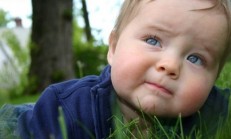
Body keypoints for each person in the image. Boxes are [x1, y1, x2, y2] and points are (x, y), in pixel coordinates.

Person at [0, 0, 231, 138]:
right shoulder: (69, 109)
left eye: (195, 58)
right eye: (153, 41)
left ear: (214, 78)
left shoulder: (210, 110)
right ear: (114, 47)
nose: (170, 65)